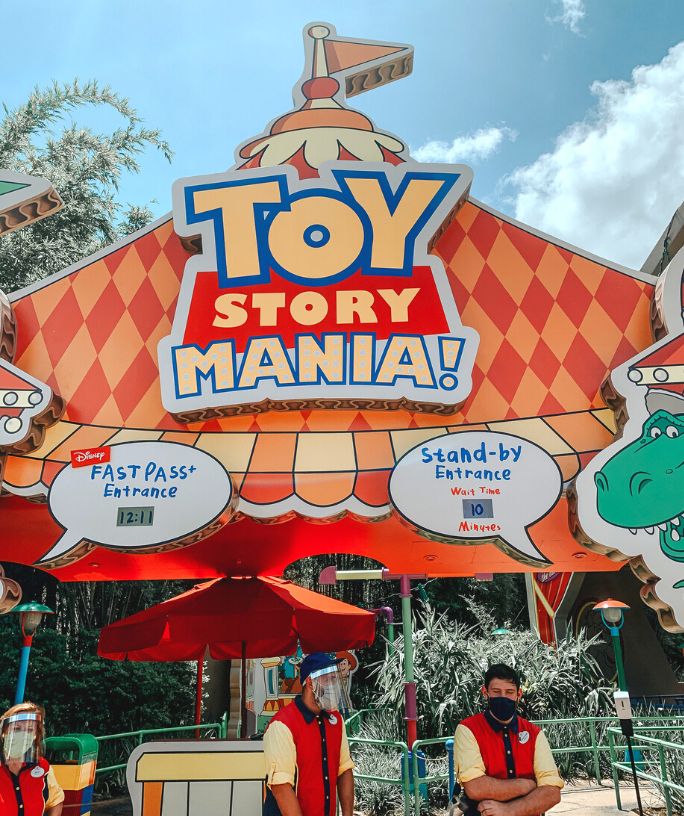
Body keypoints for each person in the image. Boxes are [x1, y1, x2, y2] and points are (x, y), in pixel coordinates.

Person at [453, 664, 563, 816]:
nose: (503, 697)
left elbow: (552, 793)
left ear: (519, 694)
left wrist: (508, 810)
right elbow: (476, 788)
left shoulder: (534, 734)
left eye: (509, 692)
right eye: (496, 691)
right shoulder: (468, 729)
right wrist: (527, 785)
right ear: (485, 692)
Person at [262, 652, 355, 816]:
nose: (334, 686)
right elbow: (281, 787)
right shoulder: (282, 724)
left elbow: (344, 770)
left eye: (335, 679)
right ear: (311, 683)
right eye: (329, 679)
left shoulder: (336, 720)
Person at [0, 702, 64, 816]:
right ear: (4, 731)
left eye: (29, 730)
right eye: (17, 728)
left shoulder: (42, 768)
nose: (23, 735)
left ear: (36, 735)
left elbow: (56, 800)